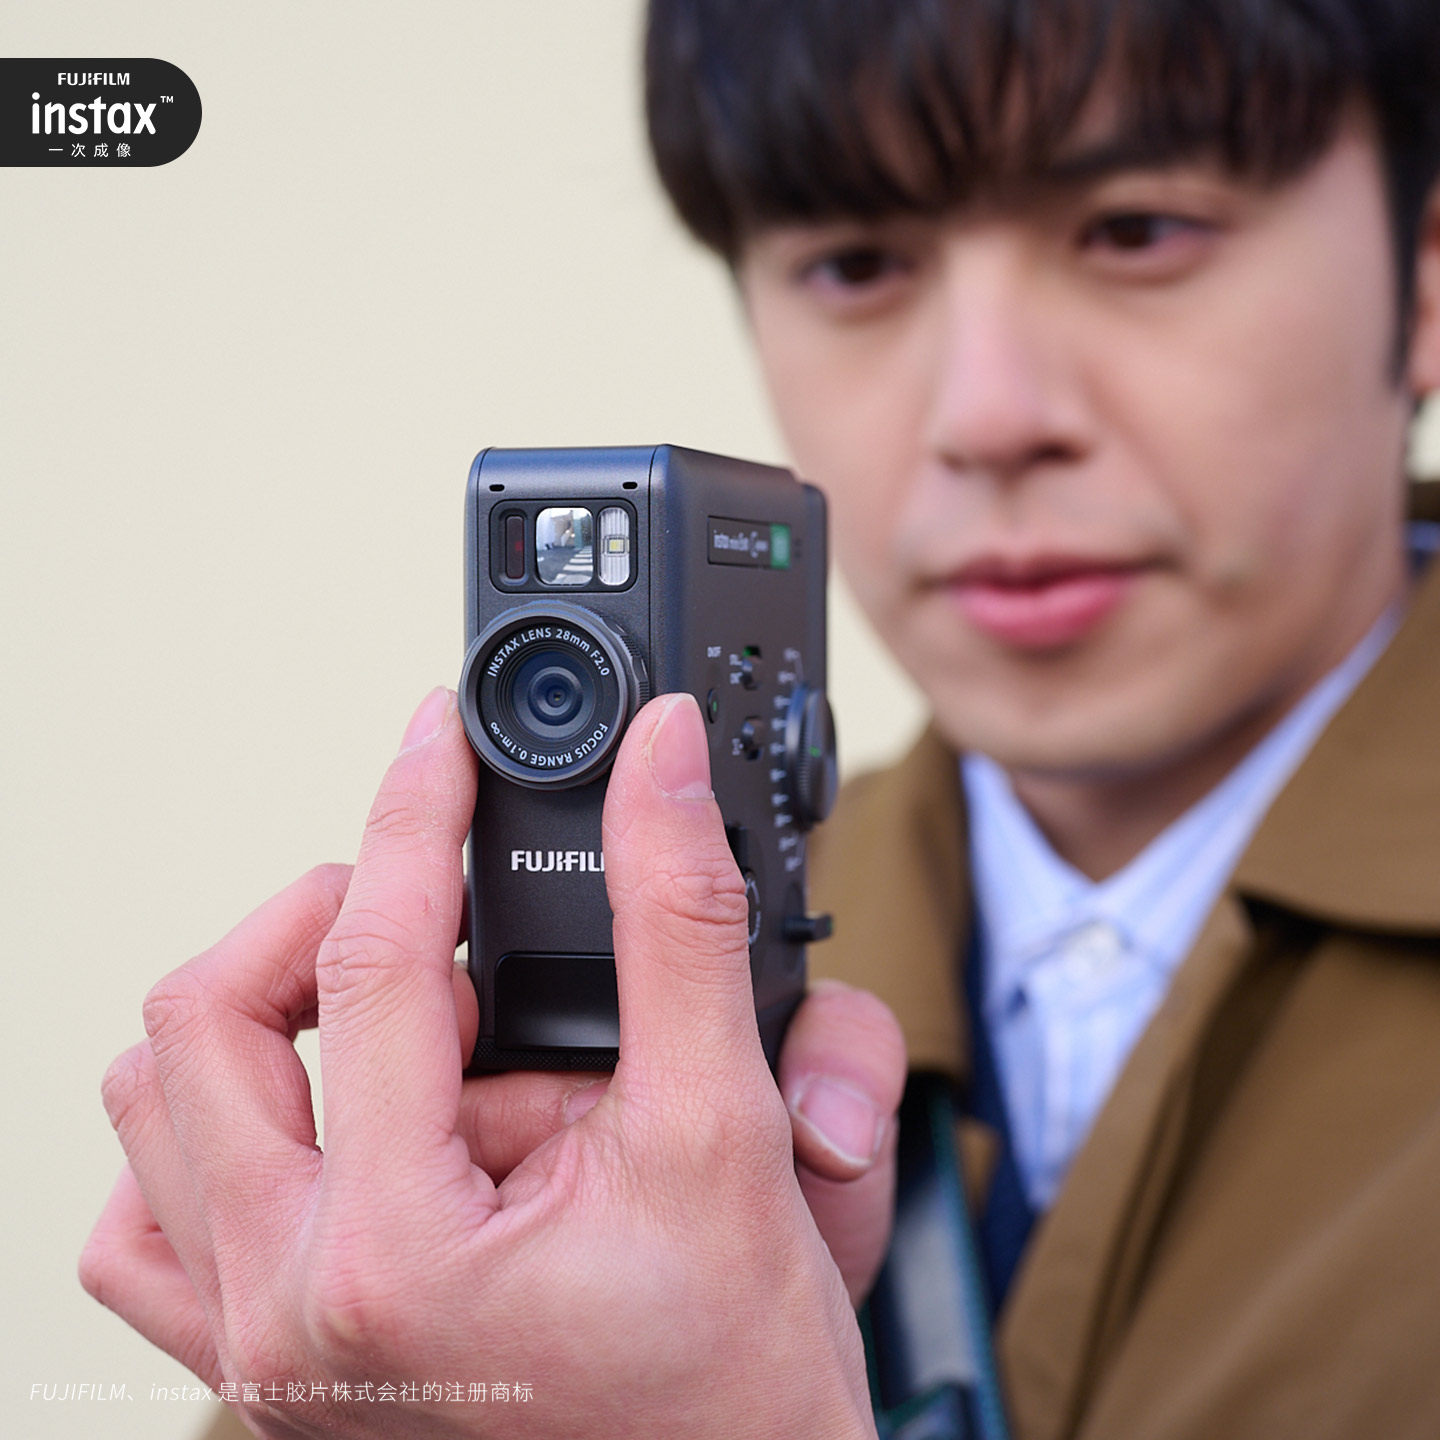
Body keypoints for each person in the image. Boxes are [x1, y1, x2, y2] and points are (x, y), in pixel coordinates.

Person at [82, 1, 1440, 1437]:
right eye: (856, 264)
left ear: (1420, 285)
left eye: (1137, 231)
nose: (987, 415)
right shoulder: (517, 1063)